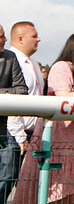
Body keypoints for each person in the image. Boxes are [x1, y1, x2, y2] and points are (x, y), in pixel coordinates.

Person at [14, 33, 74, 204]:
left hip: (71, 138)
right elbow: (63, 95)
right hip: (57, 135)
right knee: (53, 185)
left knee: (66, 187)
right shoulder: (62, 67)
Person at [5, 21, 42, 196]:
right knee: (7, 179)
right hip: (14, 135)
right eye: (34, 36)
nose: (38, 39)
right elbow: (10, 101)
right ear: (20, 39)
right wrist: (19, 135)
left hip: (31, 135)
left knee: (27, 186)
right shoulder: (10, 61)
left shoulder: (32, 63)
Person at [0, 25, 27, 202]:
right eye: (1, 37)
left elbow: (22, 89)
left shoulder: (10, 57)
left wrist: (3, 94)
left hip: (3, 129)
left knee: (10, 166)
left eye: (3, 36)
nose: (5, 40)